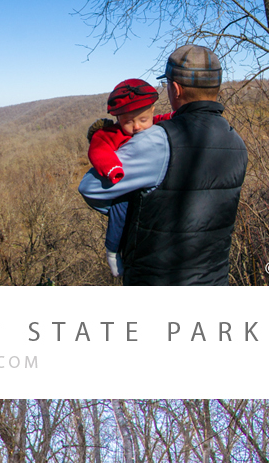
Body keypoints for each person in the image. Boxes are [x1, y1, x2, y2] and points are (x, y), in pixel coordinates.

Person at [78, 45, 248, 285]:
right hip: (216, 281)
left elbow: (90, 187)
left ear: (175, 88)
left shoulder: (158, 141)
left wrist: (131, 208)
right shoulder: (236, 142)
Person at [86, 79, 172, 277]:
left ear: (152, 111)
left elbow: (165, 119)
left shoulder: (155, 124)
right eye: (127, 122)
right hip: (123, 185)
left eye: (142, 120)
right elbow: (98, 147)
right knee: (120, 212)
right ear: (118, 120)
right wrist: (112, 169)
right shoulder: (113, 134)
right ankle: (113, 250)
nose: (136, 127)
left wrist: (179, 116)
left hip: (149, 189)